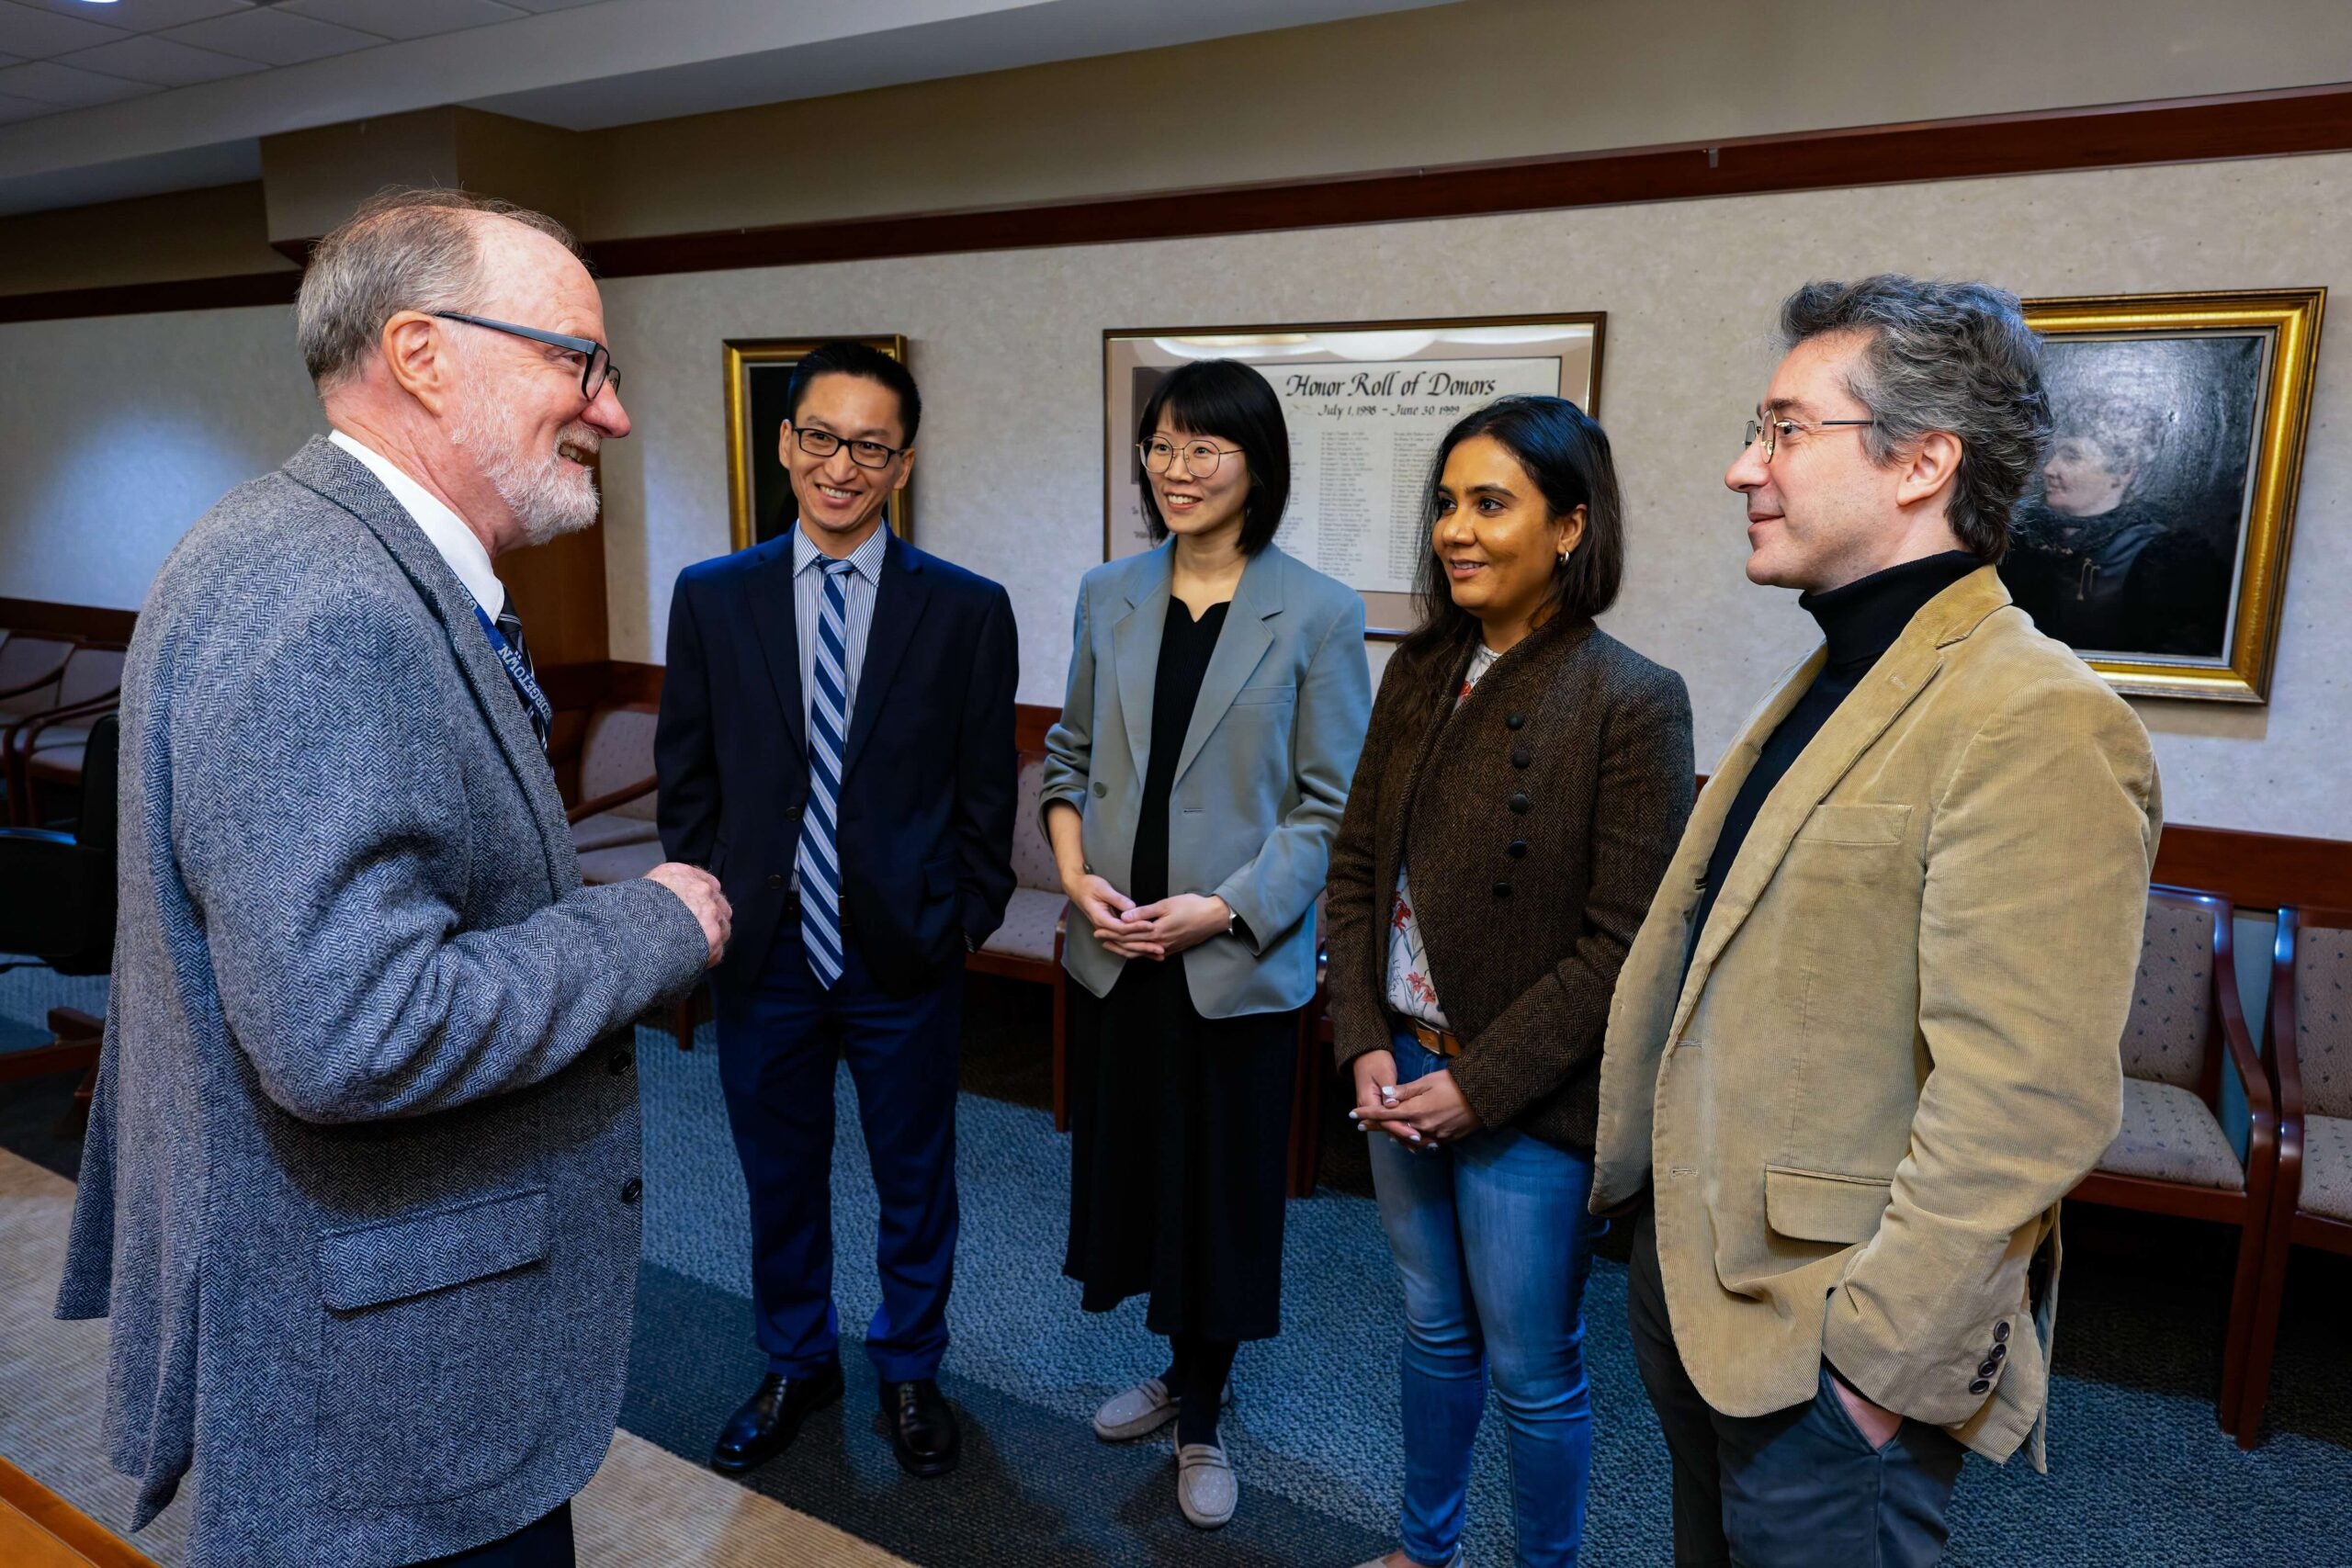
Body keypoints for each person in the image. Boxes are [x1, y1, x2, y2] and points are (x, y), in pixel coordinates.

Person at [55, 188, 730, 1568]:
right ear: (423, 353)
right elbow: (350, 1028)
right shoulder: (325, 604)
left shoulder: (322, 555)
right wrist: (651, 925)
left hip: (388, 1359)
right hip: (373, 1405)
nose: (610, 411)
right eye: (580, 362)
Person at [1589, 276, 2161, 1567]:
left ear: (1924, 462)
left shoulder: (2036, 716)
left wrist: (1873, 1377)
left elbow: (2029, 1100)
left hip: (1834, 1361)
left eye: (1788, 430)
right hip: (1710, 1298)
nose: (1747, 465)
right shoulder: (1839, 673)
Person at [1325, 397, 1694, 1568]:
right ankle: (1424, 1550)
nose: (1456, 531)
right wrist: (1363, 1037)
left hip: (1526, 1097)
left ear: (1571, 526)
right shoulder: (1422, 670)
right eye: (1445, 504)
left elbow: (1621, 944)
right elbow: (1352, 868)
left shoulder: (1633, 697)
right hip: (1400, 1066)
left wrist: (1475, 1087)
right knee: (1432, 1332)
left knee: (1534, 1368)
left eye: (1491, 503)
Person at [656, 341, 1018, 1482]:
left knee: (915, 1175)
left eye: (870, 445)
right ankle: (794, 1358)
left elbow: (983, 788)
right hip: (762, 950)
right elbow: (687, 777)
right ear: (785, 443)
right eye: (821, 437)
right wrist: (711, 902)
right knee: (778, 1171)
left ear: (901, 463)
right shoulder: (713, 598)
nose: (842, 465)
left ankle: (910, 1366)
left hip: (904, 949)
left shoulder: (964, 611)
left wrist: (962, 915)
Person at [1041, 357, 1371, 1530]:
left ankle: (1204, 1418)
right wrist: (1078, 881)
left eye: (1204, 449)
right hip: (1118, 954)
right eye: (1160, 446)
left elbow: (1330, 807)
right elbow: (1070, 759)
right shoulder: (1107, 592)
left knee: (1222, 1197)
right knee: (1142, 1180)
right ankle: (1175, 1367)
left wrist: (1221, 909)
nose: (1175, 470)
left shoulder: (1319, 613)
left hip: (1232, 965)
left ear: (1257, 465)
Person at [2000, 396, 2229, 657]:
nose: (2050, 469)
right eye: (2053, 455)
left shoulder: (2161, 558)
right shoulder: (2020, 537)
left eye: (2072, 456)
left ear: (2123, 471)